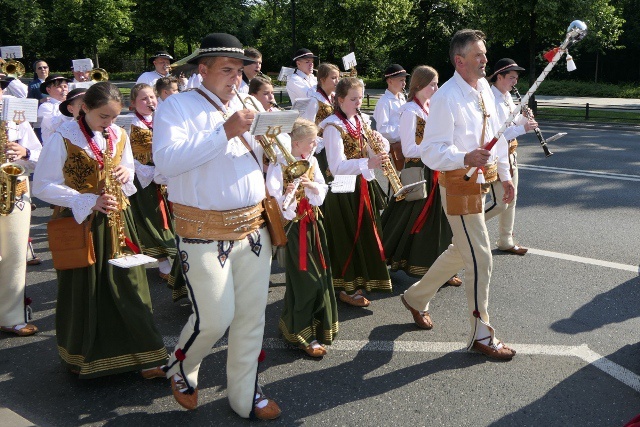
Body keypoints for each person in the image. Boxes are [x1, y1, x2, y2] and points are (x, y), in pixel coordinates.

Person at [152, 33, 281, 419]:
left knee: (251, 318)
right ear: (202, 70)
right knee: (214, 317)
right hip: (202, 229)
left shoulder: (245, 101)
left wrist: (274, 142)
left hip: (254, 225)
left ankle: (246, 394)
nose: (236, 78)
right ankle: (180, 364)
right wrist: (225, 130)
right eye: (227, 70)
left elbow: (264, 157)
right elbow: (166, 164)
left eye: (239, 70)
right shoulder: (176, 107)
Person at [32, 81, 168, 378]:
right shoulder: (63, 137)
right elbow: (41, 185)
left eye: (114, 117)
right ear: (85, 109)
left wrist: (125, 172)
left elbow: (130, 171)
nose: (109, 123)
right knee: (88, 289)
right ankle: (87, 357)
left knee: (131, 286)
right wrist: (86, 200)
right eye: (103, 117)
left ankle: (148, 357)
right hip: (82, 223)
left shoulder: (119, 133)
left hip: (119, 218)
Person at [400, 29, 517, 360]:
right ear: (459, 60)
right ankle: (482, 333)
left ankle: (416, 297)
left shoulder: (483, 89)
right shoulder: (445, 97)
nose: (485, 60)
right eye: (478, 55)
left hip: (485, 182)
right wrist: (464, 157)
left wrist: (505, 176)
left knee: (460, 250)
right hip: (459, 187)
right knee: (481, 258)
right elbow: (430, 152)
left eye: (485, 53)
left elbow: (498, 134)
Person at [381, 65, 462, 286]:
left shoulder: (428, 107)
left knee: (438, 221)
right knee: (405, 219)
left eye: (437, 84)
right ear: (419, 85)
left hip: (434, 168)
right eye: (432, 84)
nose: (436, 88)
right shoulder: (410, 111)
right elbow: (408, 150)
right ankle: (379, 260)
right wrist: (434, 148)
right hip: (418, 170)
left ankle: (438, 269)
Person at [266, 118, 337, 358]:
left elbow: (322, 189)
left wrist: (312, 187)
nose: (316, 143)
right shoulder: (279, 163)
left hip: (314, 224)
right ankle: (302, 333)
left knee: (321, 277)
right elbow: (273, 200)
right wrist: (288, 195)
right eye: (311, 140)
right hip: (294, 229)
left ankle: (303, 328)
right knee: (306, 280)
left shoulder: (312, 160)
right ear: (296, 143)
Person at [320, 77, 391, 307]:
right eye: (353, 99)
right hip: (342, 188)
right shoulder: (333, 126)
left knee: (365, 232)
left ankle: (361, 282)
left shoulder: (361, 120)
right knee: (346, 235)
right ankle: (346, 287)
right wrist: (367, 163)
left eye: (360, 98)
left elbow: (371, 148)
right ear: (339, 99)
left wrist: (380, 146)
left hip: (362, 183)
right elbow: (337, 166)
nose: (358, 103)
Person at [0, 79, 42, 336]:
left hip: (15, 190)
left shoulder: (15, 112)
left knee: (15, 256)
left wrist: (23, 151)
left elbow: (38, 154)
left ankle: (11, 315)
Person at [486, 58, 537, 256]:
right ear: (499, 77)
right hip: (496, 156)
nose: (515, 82)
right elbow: (497, 135)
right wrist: (523, 129)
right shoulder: (491, 99)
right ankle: (468, 229)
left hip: (510, 154)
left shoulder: (506, 96)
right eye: (511, 78)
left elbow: (513, 122)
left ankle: (505, 240)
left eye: (516, 78)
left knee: (511, 198)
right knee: (500, 202)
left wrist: (525, 118)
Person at [127, 83, 176, 280]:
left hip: (165, 176)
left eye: (152, 98)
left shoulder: (162, 119)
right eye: (144, 99)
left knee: (171, 218)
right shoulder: (132, 125)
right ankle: (164, 263)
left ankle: (175, 259)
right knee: (154, 219)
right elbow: (132, 157)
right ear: (133, 103)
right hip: (146, 178)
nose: (149, 102)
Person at [373, 64, 408, 171]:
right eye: (401, 80)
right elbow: (383, 130)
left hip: (404, 145)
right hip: (393, 149)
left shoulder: (402, 97)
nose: (404, 83)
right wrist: (404, 131)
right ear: (390, 81)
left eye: (405, 80)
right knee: (396, 182)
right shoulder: (384, 102)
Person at [38, 74, 69, 144]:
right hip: (53, 148)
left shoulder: (72, 105)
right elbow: (54, 126)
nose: (64, 89)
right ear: (49, 90)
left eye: (65, 86)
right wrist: (70, 111)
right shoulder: (45, 107)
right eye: (59, 87)